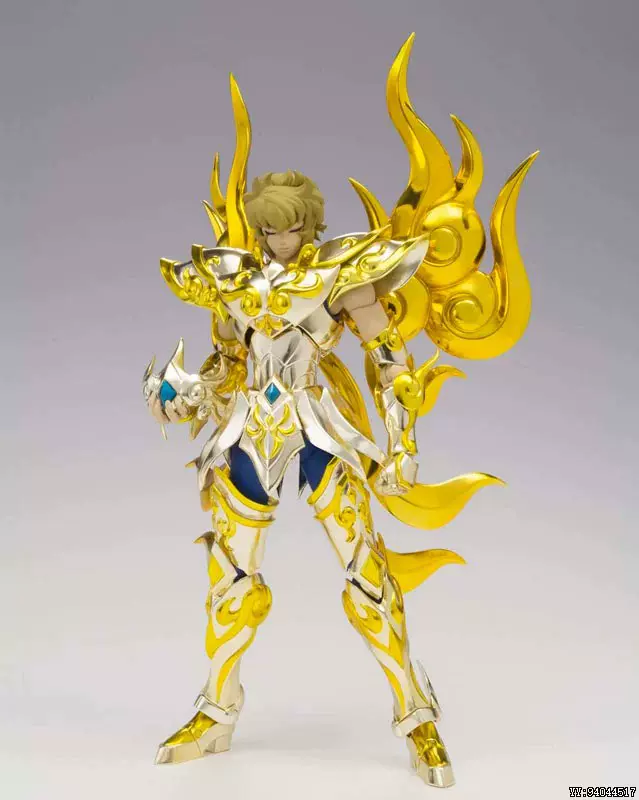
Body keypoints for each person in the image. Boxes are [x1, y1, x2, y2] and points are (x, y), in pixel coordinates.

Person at [142, 34, 536, 789]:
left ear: (311, 226)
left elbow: (389, 359)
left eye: (286, 228)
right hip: (249, 438)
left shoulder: (342, 277)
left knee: (367, 580)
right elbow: (229, 363)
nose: (274, 240)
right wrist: (184, 392)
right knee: (231, 586)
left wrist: (402, 438)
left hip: (319, 432)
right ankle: (217, 711)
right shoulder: (238, 281)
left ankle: (416, 716)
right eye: (265, 228)